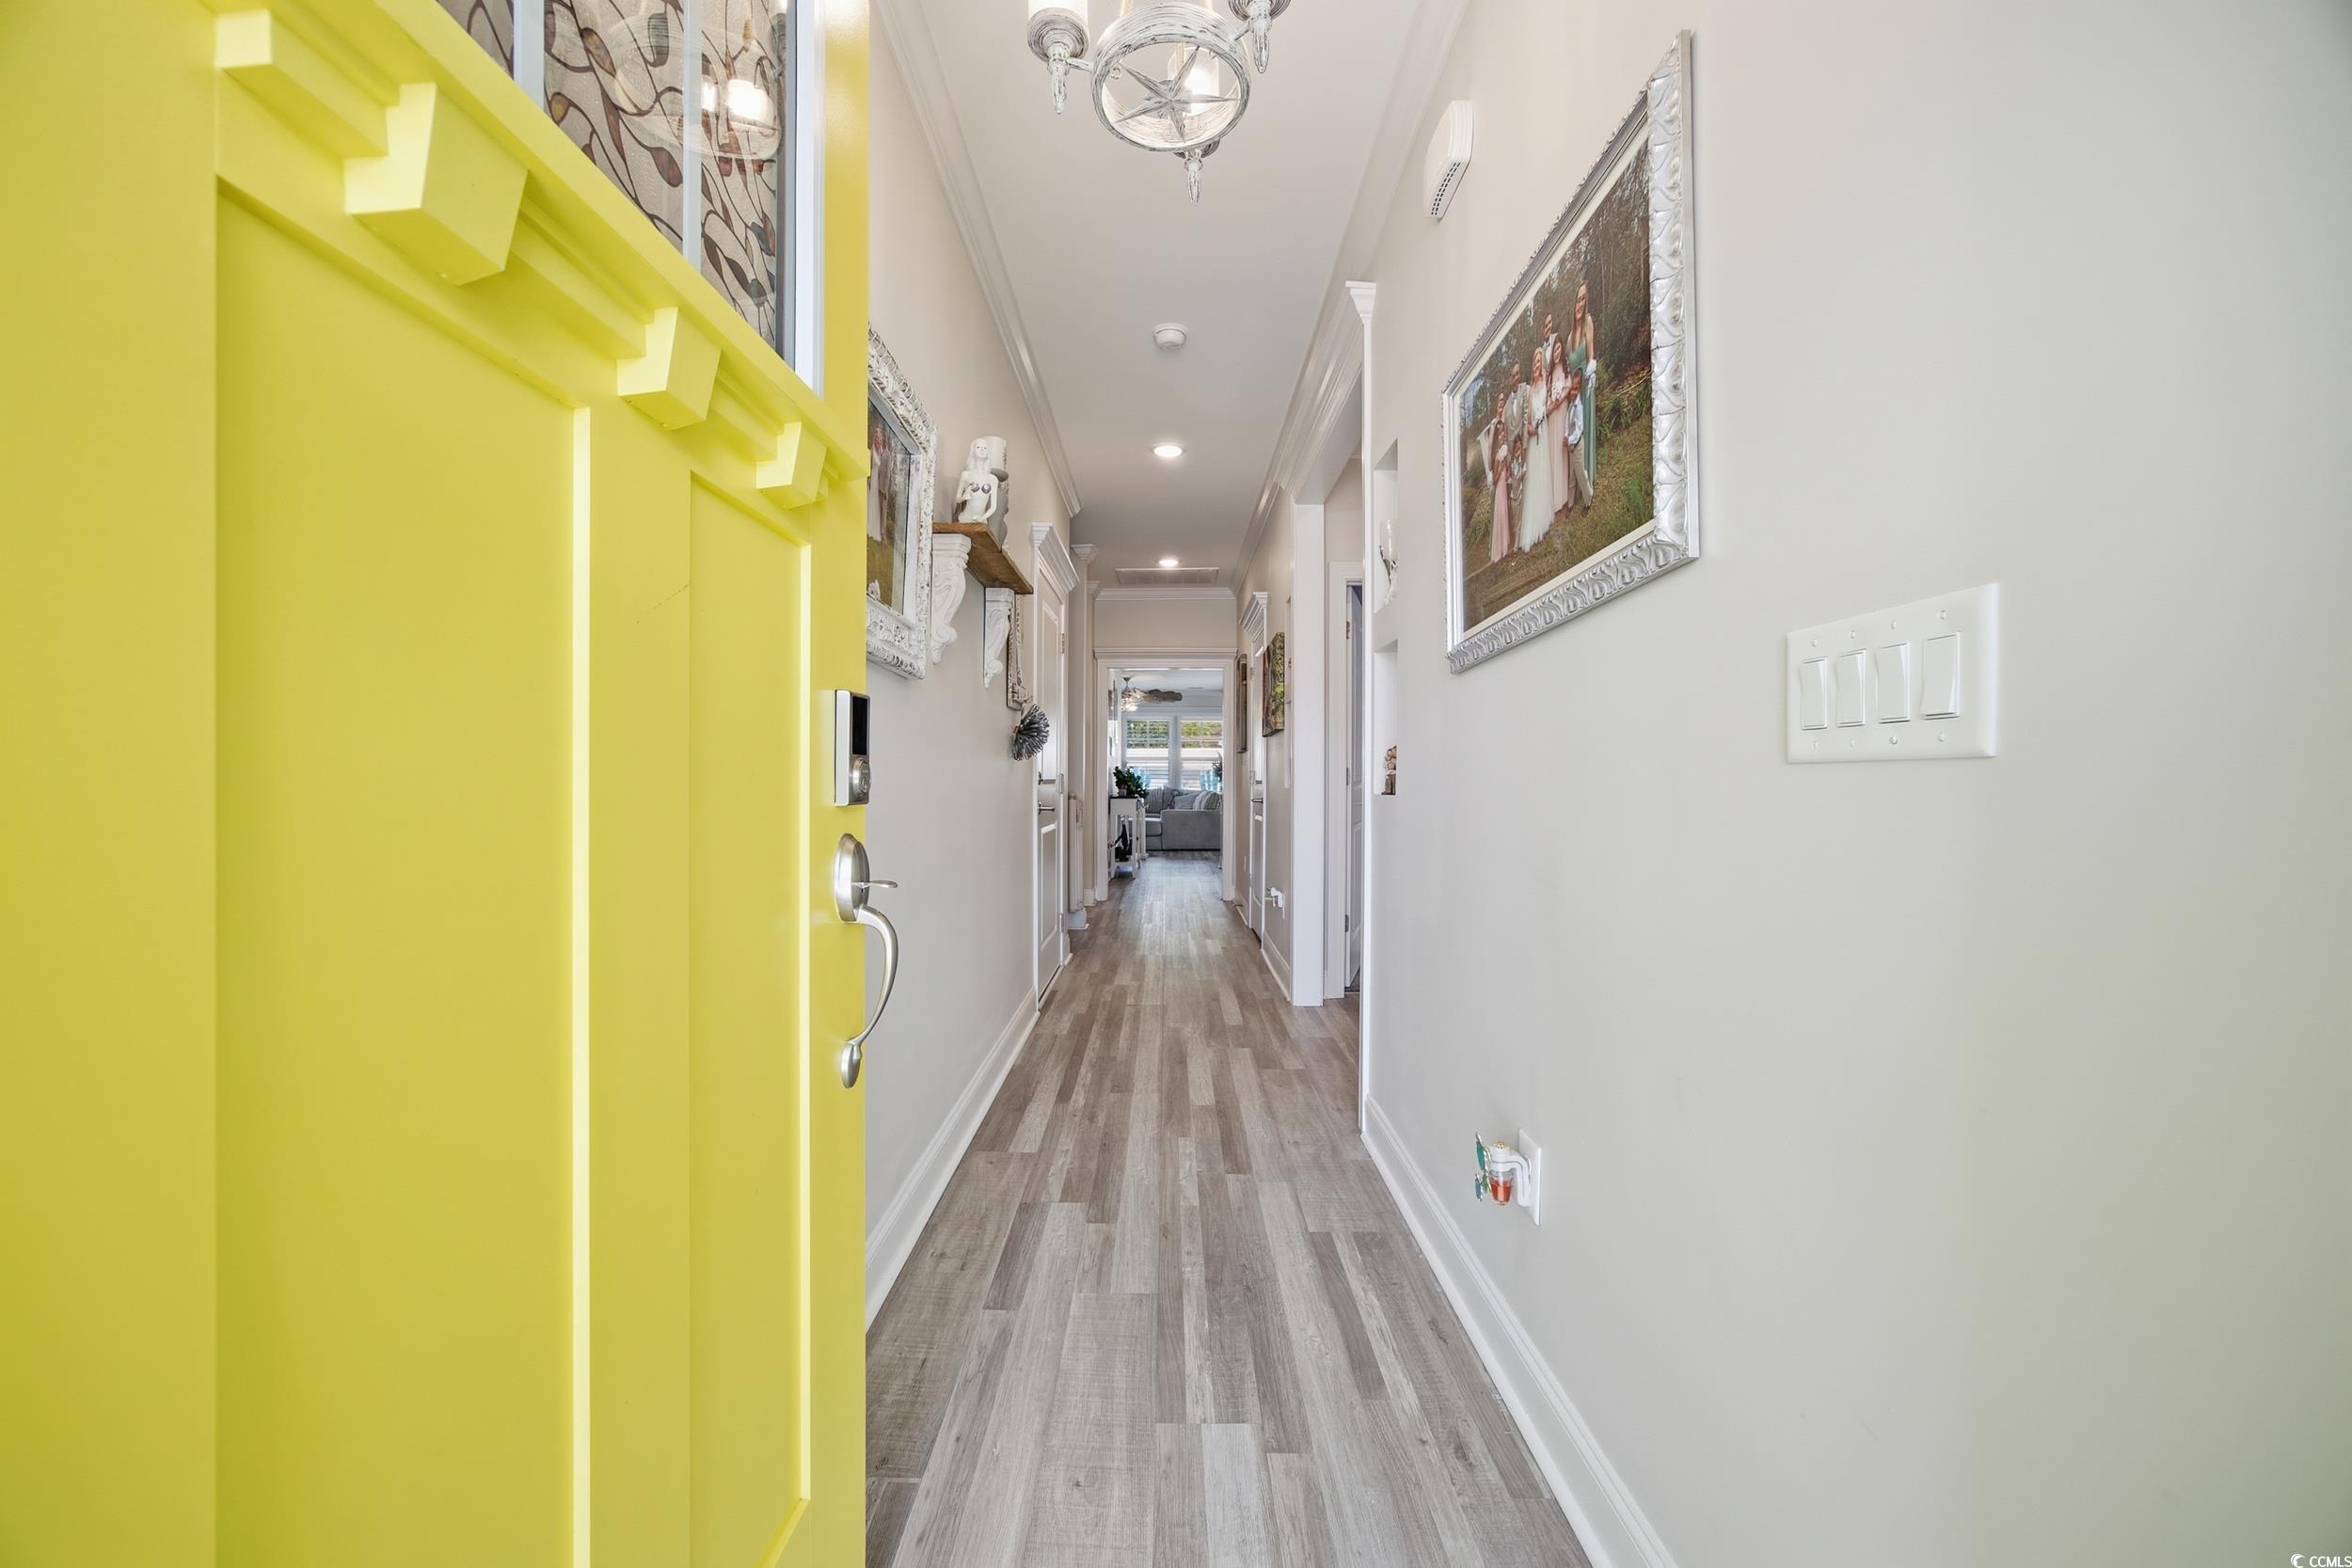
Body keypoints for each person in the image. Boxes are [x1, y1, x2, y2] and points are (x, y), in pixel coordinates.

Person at [1516, 346, 1556, 552]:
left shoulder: (1546, 382)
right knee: (1534, 477)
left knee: (1543, 472)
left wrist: (1544, 413)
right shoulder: (1530, 390)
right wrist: (1530, 427)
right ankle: (1534, 524)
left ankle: (1544, 517)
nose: (1537, 365)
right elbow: (1527, 418)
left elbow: (1548, 405)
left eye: (1539, 362)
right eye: (1535, 362)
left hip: (1544, 433)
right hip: (1534, 438)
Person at [1565, 280, 1599, 506]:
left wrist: (1592, 372)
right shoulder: (1569, 338)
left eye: (1583, 299)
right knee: (1577, 435)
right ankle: (1578, 485)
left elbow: (1590, 355)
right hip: (1575, 392)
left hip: (1586, 385)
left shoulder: (1588, 322)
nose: (1580, 304)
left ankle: (1589, 478)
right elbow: (1569, 371)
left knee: (1585, 431)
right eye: (1578, 299)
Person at [1479, 387, 1515, 565]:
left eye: (1503, 401)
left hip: (1506, 467)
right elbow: (1490, 450)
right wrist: (1492, 470)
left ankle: (1508, 541)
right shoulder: (1494, 424)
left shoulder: (1505, 422)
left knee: (1507, 505)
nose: (1501, 403)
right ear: (1496, 404)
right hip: (1497, 468)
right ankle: (1500, 544)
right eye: (1499, 401)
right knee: (1499, 506)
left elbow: (1507, 441)